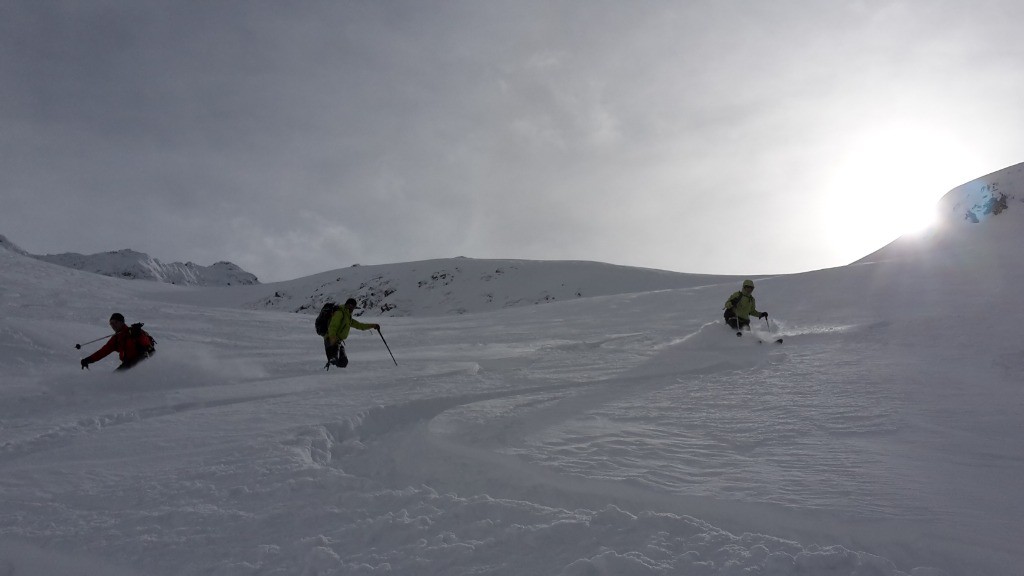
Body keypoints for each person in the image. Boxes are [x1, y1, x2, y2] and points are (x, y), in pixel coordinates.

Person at [80, 313, 156, 371]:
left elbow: (147, 345)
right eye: (111, 324)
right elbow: (103, 351)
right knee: (115, 378)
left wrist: (139, 333)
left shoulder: (133, 331)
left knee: (117, 377)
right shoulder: (116, 339)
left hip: (142, 360)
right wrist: (88, 360)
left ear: (121, 322)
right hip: (128, 363)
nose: (113, 325)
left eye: (115, 322)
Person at [324, 298, 380, 369]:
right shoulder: (339, 313)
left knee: (343, 362)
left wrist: (373, 325)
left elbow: (359, 325)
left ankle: (337, 378)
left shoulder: (347, 317)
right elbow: (332, 326)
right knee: (333, 361)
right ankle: (325, 376)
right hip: (331, 340)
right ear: (346, 305)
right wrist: (332, 338)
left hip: (337, 341)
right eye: (350, 306)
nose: (351, 308)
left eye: (353, 307)